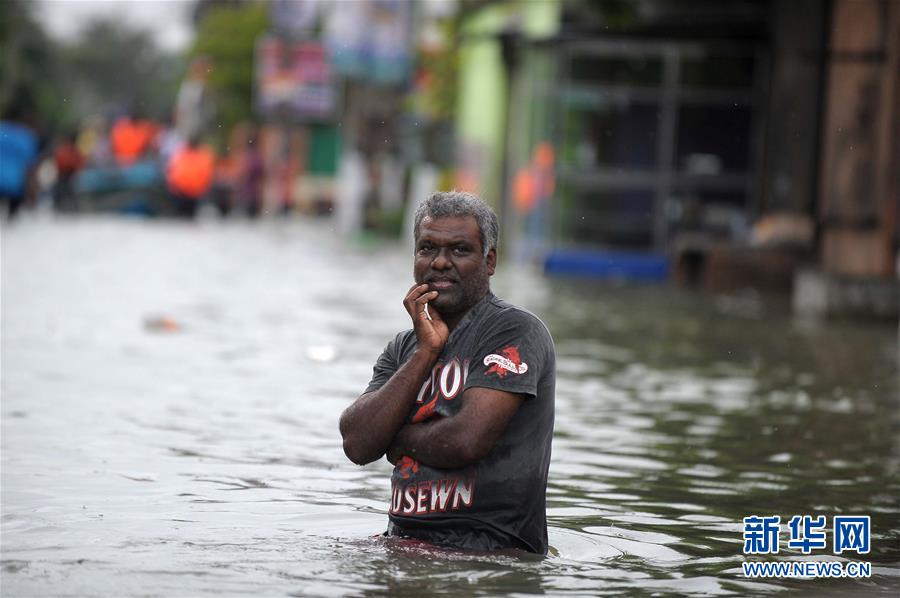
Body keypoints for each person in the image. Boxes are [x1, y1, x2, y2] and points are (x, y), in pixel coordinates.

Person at [339, 191, 556, 554]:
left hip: (486, 552)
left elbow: (467, 439)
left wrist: (398, 439)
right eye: (427, 248)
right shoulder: (405, 347)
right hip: (401, 542)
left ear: (489, 261)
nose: (440, 262)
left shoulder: (514, 331)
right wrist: (426, 352)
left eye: (459, 250)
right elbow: (357, 444)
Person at [165, 134, 215, 219]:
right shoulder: (180, 153)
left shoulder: (204, 155)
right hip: (181, 193)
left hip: (196, 194)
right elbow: (172, 173)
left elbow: (208, 175)